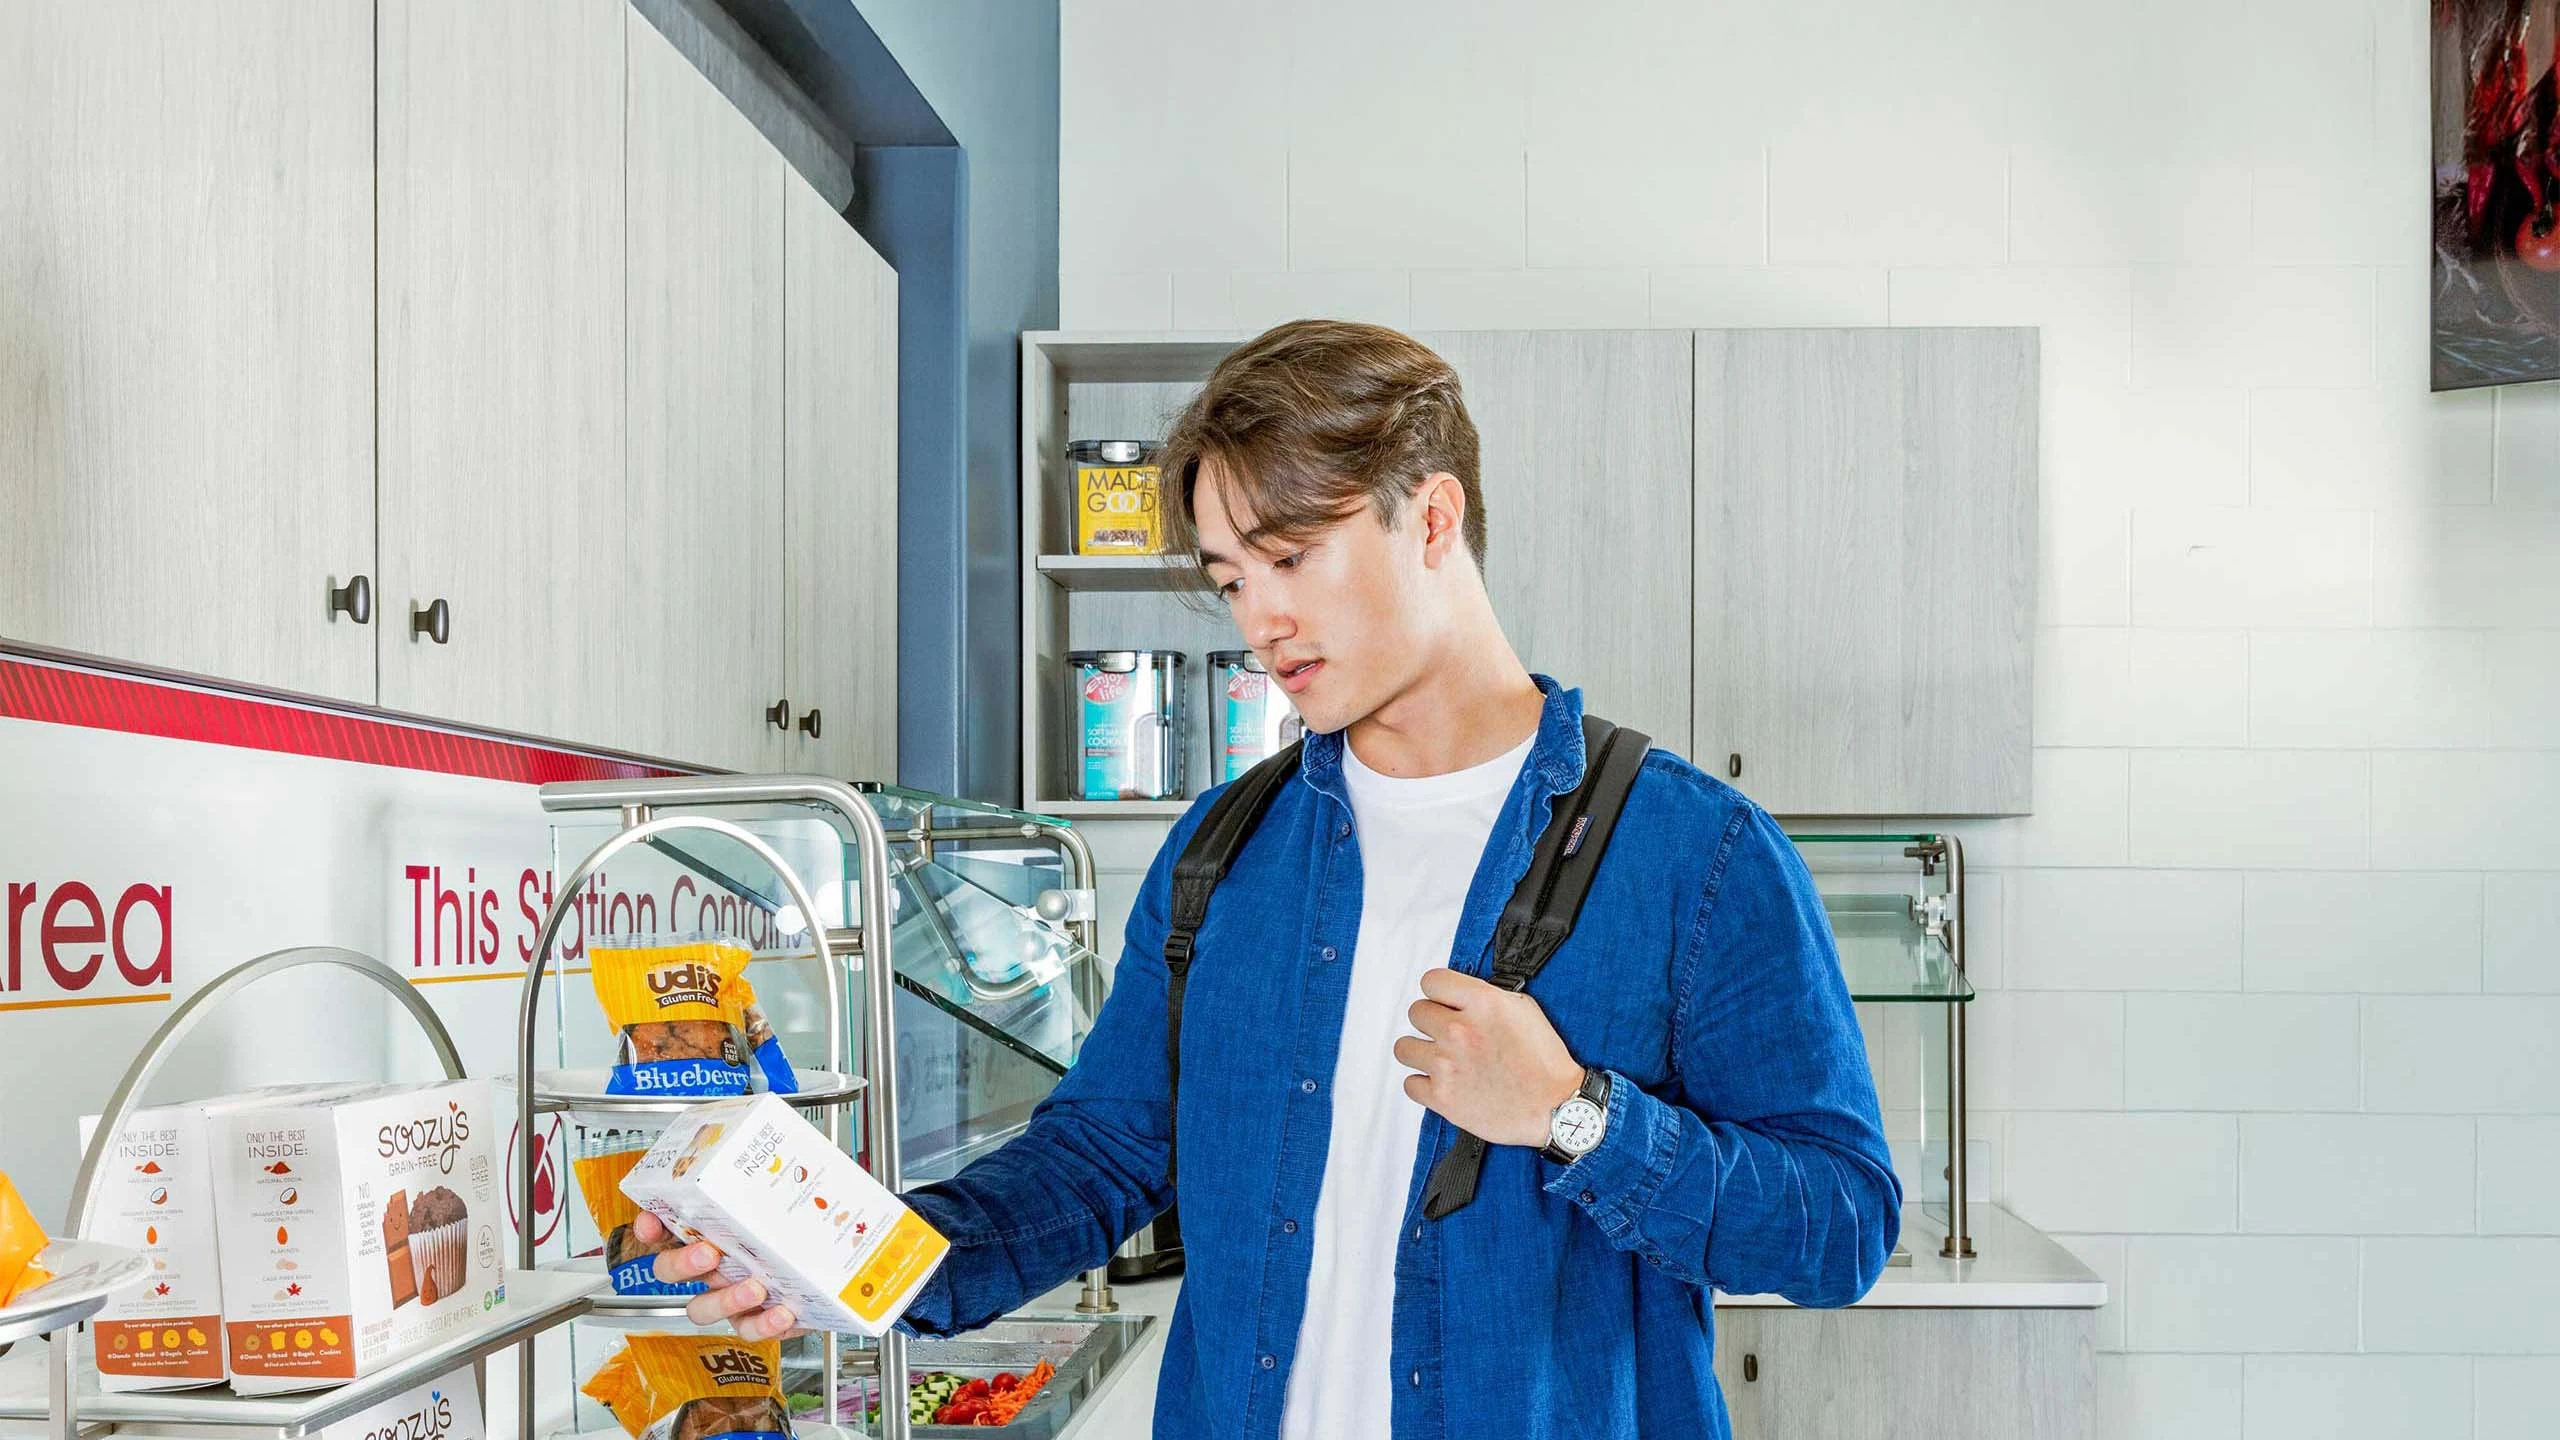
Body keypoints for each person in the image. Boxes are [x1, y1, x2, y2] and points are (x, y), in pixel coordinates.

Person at [637, 320, 1900, 1438]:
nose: (1259, 621)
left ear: (1432, 518)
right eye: (1233, 579)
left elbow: (1840, 1227)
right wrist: (831, 1248)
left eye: (1290, 558)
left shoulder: (1694, 852)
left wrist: (1576, 1114)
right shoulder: (1222, 851)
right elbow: (1095, 1158)